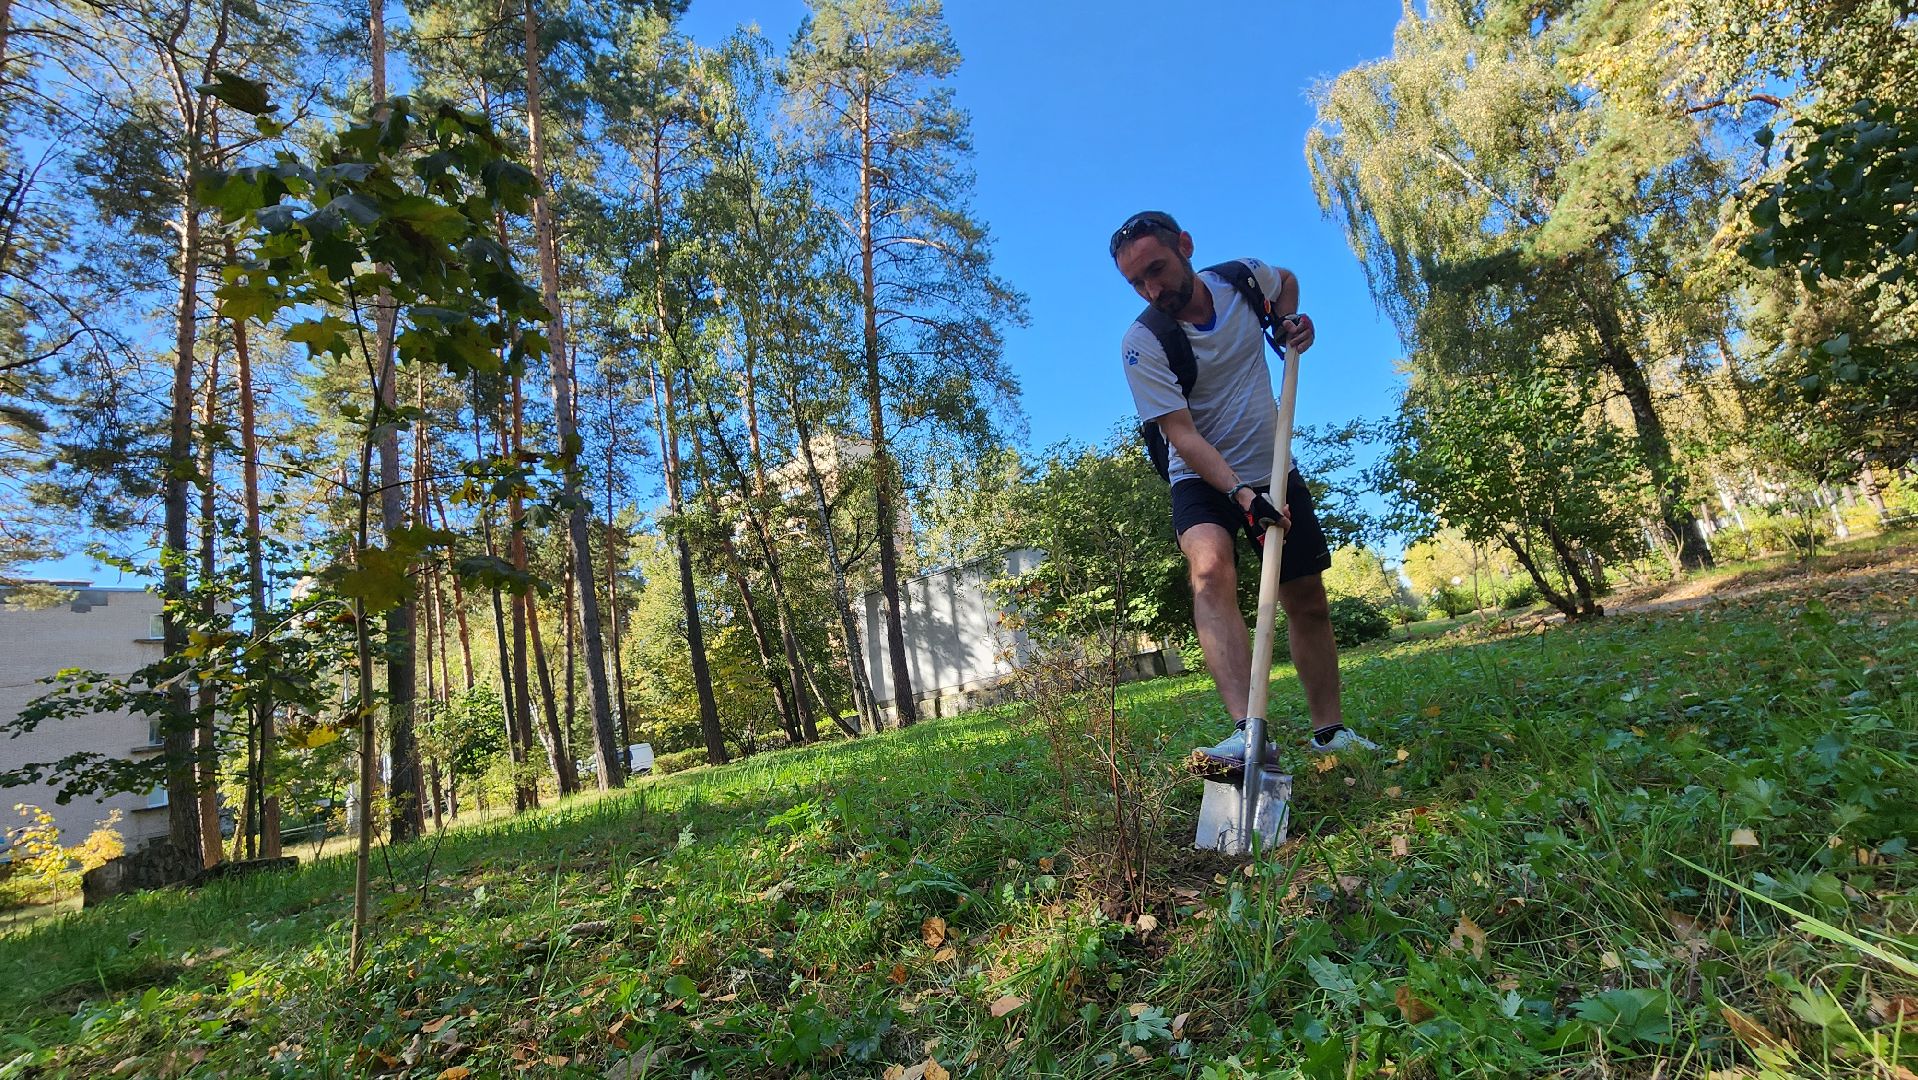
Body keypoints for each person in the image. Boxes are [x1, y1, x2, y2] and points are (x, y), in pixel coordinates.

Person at [1110, 209, 1375, 761]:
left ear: (1185, 245)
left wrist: (1291, 322)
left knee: (1306, 598)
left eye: (1157, 269)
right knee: (1209, 569)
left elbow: (1288, 283)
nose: (1151, 289)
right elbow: (1181, 435)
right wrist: (1239, 494)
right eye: (1136, 282)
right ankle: (1247, 733)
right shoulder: (1142, 343)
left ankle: (1331, 733)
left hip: (1271, 464)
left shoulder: (1243, 279)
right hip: (1202, 477)